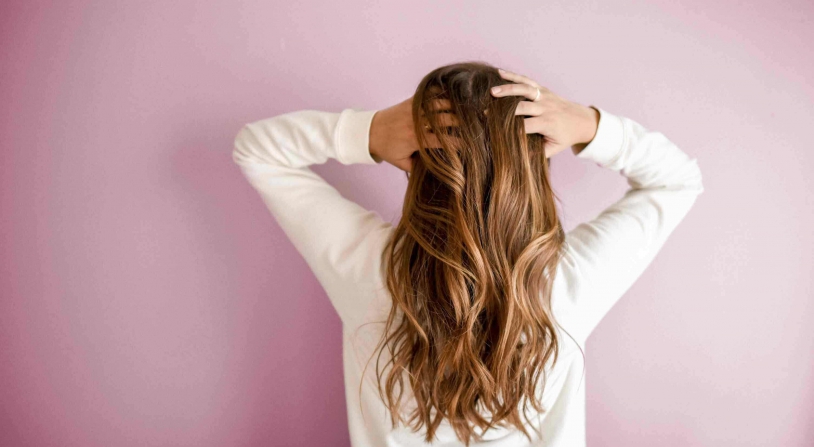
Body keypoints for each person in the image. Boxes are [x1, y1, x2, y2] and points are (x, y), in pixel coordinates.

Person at [231, 62, 704, 447]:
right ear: (531, 169)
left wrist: (369, 131)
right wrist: (588, 126)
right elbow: (678, 179)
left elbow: (256, 150)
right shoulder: (566, 286)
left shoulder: (371, 271)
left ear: (417, 160)